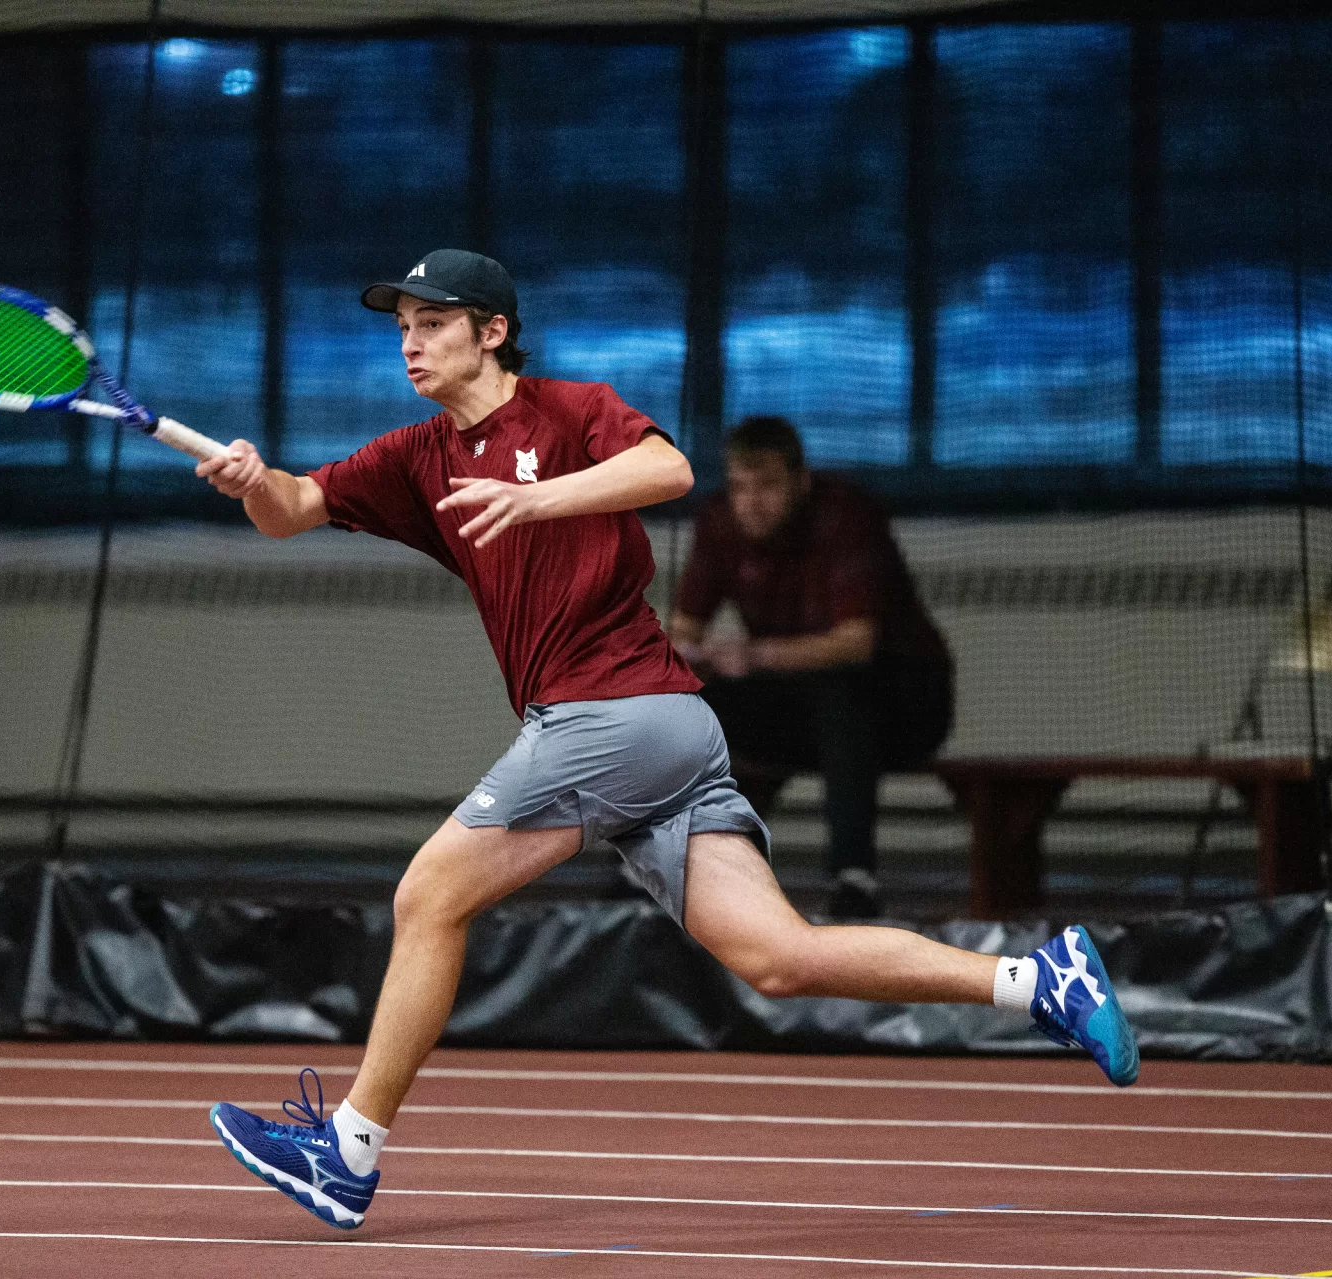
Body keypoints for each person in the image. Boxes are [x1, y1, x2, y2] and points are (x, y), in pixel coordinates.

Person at [194, 249, 1139, 1232]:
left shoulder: (565, 412)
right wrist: (251, 478)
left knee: (427, 894)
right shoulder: (419, 458)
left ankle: (347, 1152)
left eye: (432, 322)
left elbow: (670, 467)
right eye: (400, 326)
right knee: (778, 958)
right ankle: (1039, 979)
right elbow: (294, 510)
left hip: (612, 714)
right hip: (665, 734)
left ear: (492, 331)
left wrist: (537, 497)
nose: (410, 341)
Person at [668, 417, 953, 919]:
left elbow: (854, 645)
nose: (752, 502)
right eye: (740, 487)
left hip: (901, 702)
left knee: (839, 691)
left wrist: (751, 655)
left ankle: (853, 876)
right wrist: (694, 659)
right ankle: (666, 871)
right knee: (686, 703)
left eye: (769, 486)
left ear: (801, 483)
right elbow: (682, 632)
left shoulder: (846, 515)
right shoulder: (718, 522)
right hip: (795, 703)